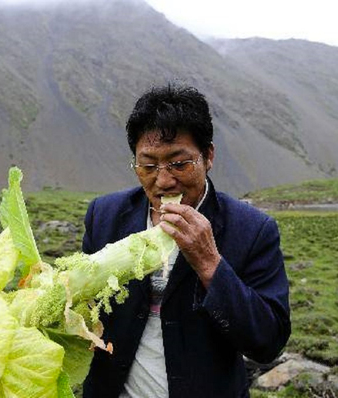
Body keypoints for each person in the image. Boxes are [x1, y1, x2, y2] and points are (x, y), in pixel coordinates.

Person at [82, 84, 290, 397]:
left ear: (208, 156)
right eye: (148, 165)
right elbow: (86, 308)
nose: (163, 181)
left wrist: (210, 263)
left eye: (179, 163)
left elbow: (267, 342)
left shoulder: (252, 230)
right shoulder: (105, 215)